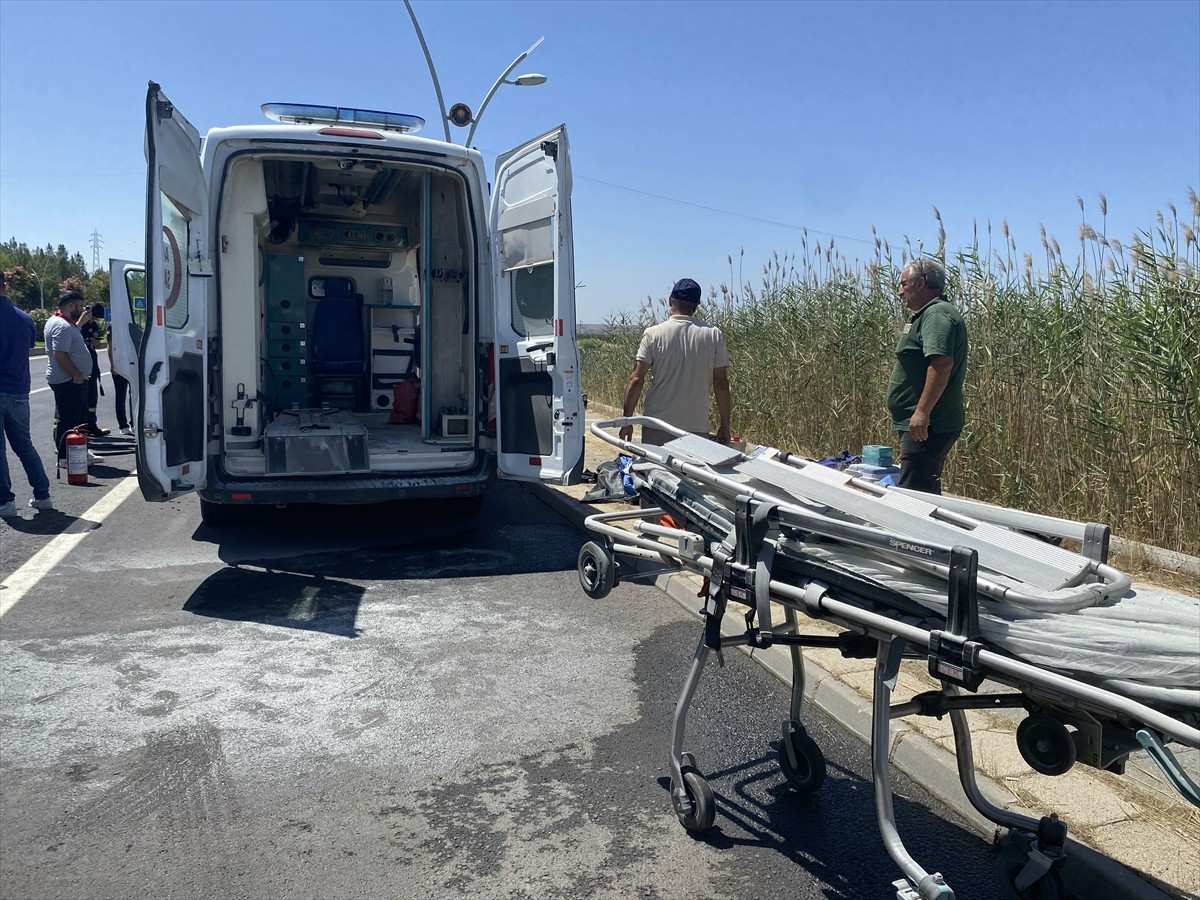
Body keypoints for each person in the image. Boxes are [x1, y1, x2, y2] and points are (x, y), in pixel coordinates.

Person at [886, 257, 968, 494]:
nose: (900, 292)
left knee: (916, 496)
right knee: (922, 489)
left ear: (920, 283)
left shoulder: (937, 315)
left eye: (903, 284)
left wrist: (921, 413)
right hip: (922, 425)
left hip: (929, 426)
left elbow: (942, 364)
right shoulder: (927, 314)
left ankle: (914, 532)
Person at [619, 278, 732, 446]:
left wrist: (627, 420)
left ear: (670, 300)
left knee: (653, 471)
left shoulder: (653, 334)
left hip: (656, 424)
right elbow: (721, 383)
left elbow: (636, 379)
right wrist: (725, 425)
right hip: (695, 427)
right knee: (688, 472)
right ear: (697, 304)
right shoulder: (713, 335)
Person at [0, 270, 53, 515]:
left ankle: (5, 501)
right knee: (24, 446)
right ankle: (42, 495)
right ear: (5, 285)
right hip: (19, 390)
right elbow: (28, 347)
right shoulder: (25, 319)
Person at [45, 291, 100, 468]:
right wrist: (76, 374)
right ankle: (64, 457)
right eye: (80, 306)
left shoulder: (67, 324)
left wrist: (80, 324)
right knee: (68, 420)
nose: (83, 309)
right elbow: (60, 354)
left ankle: (81, 451)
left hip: (75, 380)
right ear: (71, 306)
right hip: (68, 381)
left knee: (80, 417)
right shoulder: (61, 325)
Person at [80, 302, 110, 436]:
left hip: (92, 360)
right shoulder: (79, 323)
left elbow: (97, 342)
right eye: (93, 318)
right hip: (81, 362)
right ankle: (82, 426)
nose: (93, 320)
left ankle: (92, 424)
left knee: (92, 395)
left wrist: (92, 340)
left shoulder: (93, 325)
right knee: (82, 396)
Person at [106, 336, 133, 435]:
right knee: (120, 396)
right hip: (120, 366)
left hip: (132, 364)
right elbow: (110, 346)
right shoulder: (115, 327)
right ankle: (123, 425)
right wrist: (113, 365)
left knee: (134, 396)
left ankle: (134, 423)